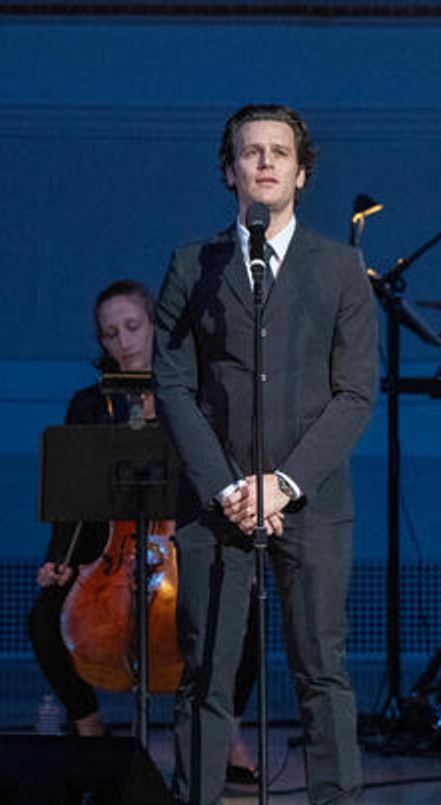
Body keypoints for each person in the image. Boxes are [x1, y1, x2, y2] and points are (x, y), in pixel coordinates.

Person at [152, 104, 378, 805]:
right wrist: (224, 486)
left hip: (307, 500)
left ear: (302, 171)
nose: (267, 164)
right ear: (230, 170)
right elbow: (173, 382)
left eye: (281, 153)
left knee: (322, 669)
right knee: (207, 672)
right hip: (215, 505)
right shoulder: (193, 263)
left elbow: (355, 393)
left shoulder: (341, 268)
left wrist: (282, 483)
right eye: (252, 153)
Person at [26, 279, 261, 765]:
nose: (123, 342)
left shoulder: (195, 395)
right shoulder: (89, 405)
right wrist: (60, 560)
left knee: (247, 607)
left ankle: (228, 736)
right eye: (110, 334)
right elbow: (73, 498)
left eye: (132, 327)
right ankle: (89, 727)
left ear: (156, 326)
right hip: (107, 551)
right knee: (45, 616)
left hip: (186, 545)